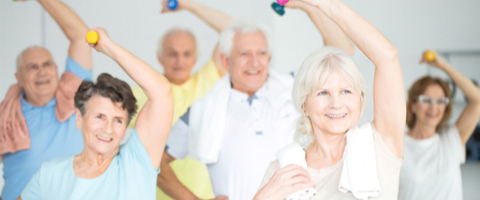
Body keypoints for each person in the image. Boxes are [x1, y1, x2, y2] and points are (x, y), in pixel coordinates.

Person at [157, 0, 355, 199]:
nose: (254, 62)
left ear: (268, 58)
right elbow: (156, 161)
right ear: (226, 61)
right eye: (244, 53)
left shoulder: (295, 89)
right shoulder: (203, 110)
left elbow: (341, 50)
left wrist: (309, 6)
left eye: (261, 53)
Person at [254, 0, 405, 199]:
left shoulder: (379, 146)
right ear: (304, 105)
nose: (336, 104)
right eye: (323, 93)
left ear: (360, 98)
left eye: (346, 92)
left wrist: (325, 4)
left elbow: (387, 57)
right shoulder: (284, 170)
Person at [18, 27, 173, 200]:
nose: (108, 129)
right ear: (79, 118)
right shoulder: (50, 174)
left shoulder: (136, 162)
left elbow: (162, 91)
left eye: (118, 120)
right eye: (99, 117)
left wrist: (109, 47)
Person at [128, 0, 231, 199]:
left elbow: (232, 30)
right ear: (160, 57)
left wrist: (188, 5)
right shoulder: (141, 93)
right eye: (172, 54)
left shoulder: (209, 81)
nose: (179, 61)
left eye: (186, 54)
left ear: (195, 58)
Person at [0, 0, 92, 199]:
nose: (41, 71)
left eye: (47, 64)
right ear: (19, 78)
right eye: (32, 67)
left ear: (57, 71)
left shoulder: (77, 95)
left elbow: (81, 36)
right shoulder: (5, 115)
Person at [399, 51, 480, 200]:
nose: (434, 108)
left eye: (440, 101)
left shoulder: (451, 140)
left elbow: (477, 100)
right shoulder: (397, 146)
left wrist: (445, 67)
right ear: (413, 105)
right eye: (427, 100)